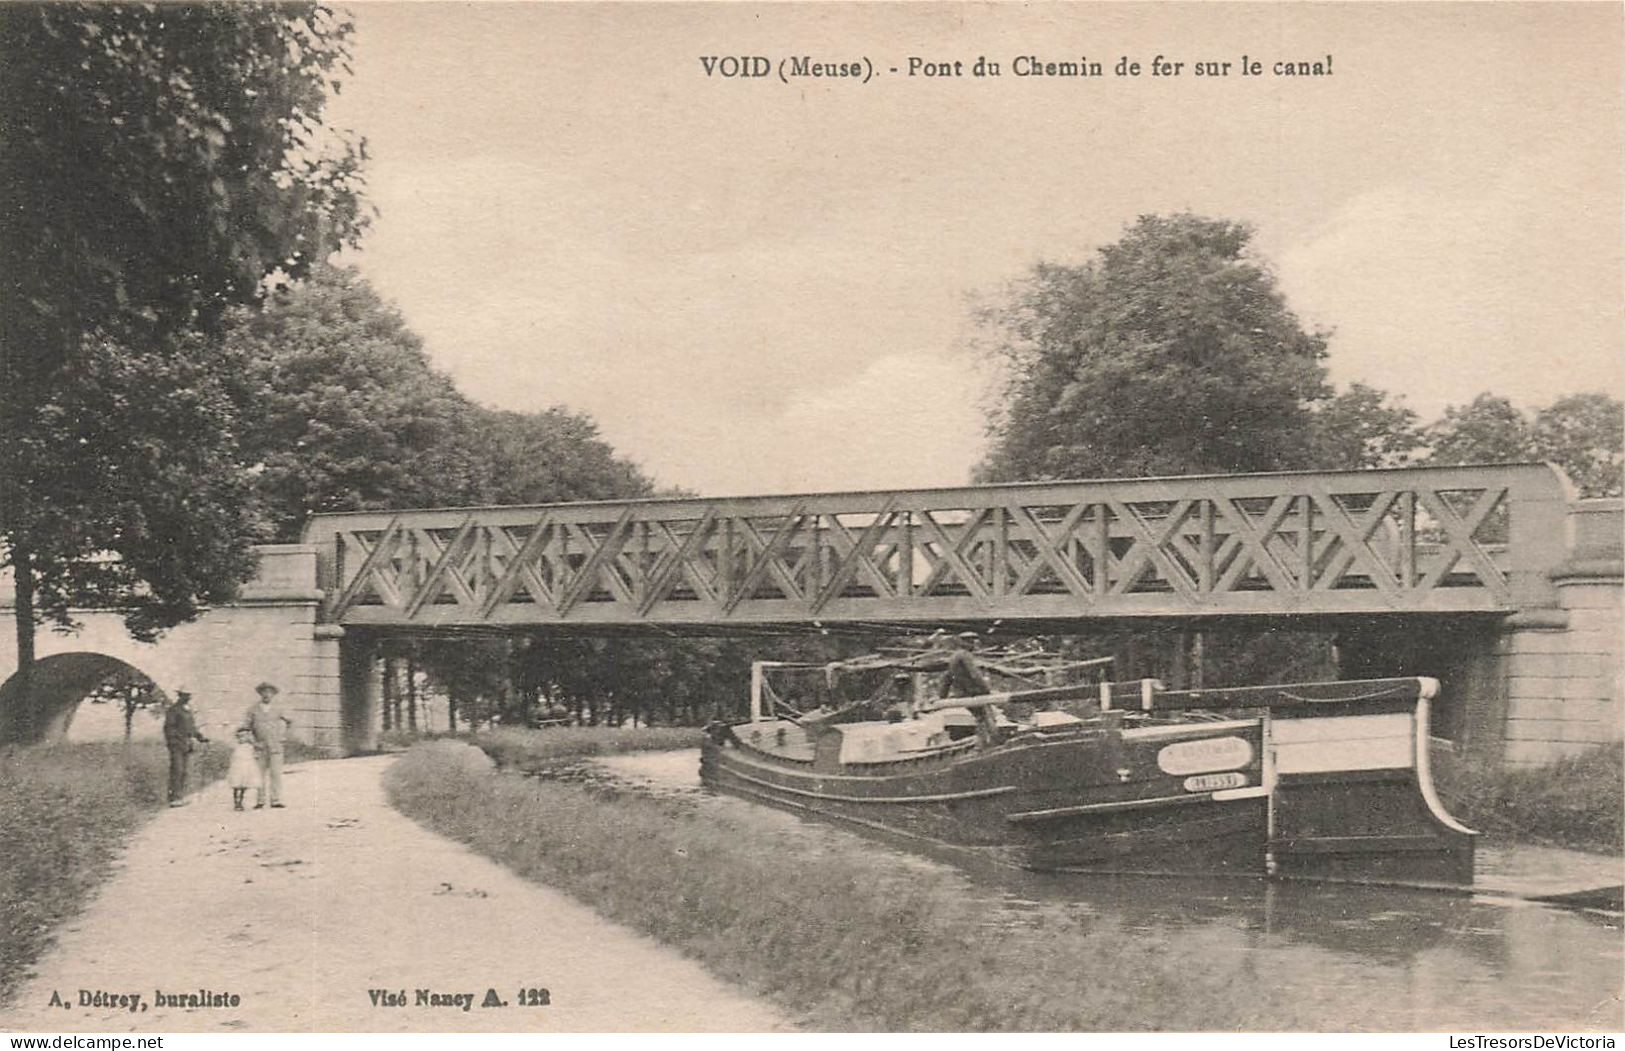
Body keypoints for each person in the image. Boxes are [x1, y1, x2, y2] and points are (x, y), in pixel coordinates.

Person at [240, 682, 293, 809]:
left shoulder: (279, 709)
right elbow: (245, 729)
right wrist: (253, 742)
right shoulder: (252, 710)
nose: (266, 695)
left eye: (269, 692)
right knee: (259, 774)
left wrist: (283, 736)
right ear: (260, 694)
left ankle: (275, 800)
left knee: (276, 774)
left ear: (273, 694)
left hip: (276, 746)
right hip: (260, 746)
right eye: (264, 692)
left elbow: (289, 722)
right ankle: (260, 800)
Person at [162, 689, 209, 807]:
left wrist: (201, 738)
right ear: (180, 696)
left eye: (189, 695)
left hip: (186, 745)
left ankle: (179, 796)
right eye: (185, 695)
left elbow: (191, 728)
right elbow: (169, 728)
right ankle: (173, 798)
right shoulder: (174, 710)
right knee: (177, 770)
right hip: (177, 745)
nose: (188, 697)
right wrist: (173, 742)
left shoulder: (187, 710)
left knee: (183, 771)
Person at [227, 728, 260, 811]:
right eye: (240, 736)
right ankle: (236, 802)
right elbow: (232, 755)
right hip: (238, 766)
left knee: (244, 785)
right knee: (236, 784)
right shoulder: (236, 746)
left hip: (247, 766)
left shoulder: (250, 746)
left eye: (245, 736)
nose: (243, 738)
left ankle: (240, 801)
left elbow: (256, 754)